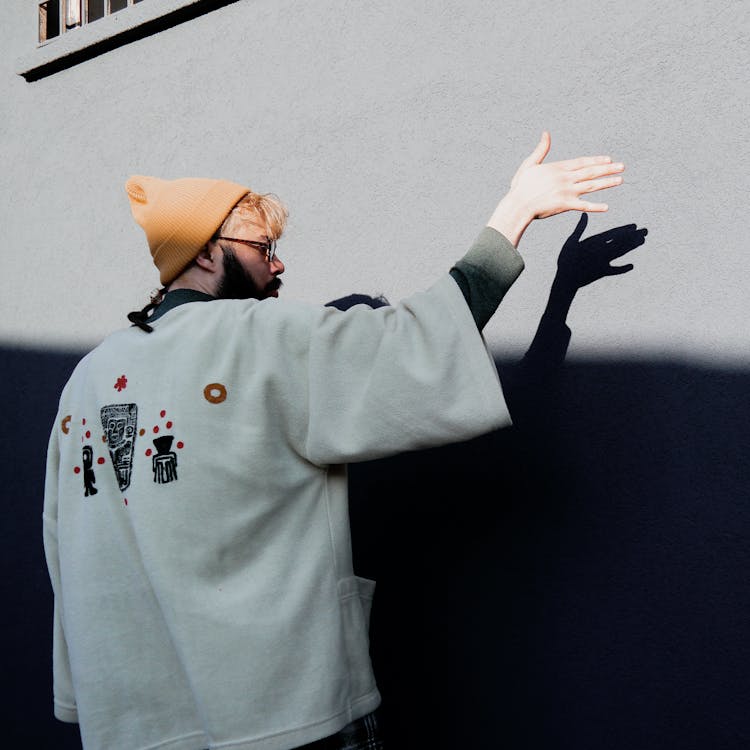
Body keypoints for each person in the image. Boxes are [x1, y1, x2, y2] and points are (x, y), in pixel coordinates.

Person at [42, 132, 624, 750]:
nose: (278, 264)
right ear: (208, 252)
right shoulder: (257, 336)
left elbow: (63, 544)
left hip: (135, 721)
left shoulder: (86, 380)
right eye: (264, 247)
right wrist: (515, 213)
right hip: (280, 714)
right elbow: (413, 347)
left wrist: (83, 690)